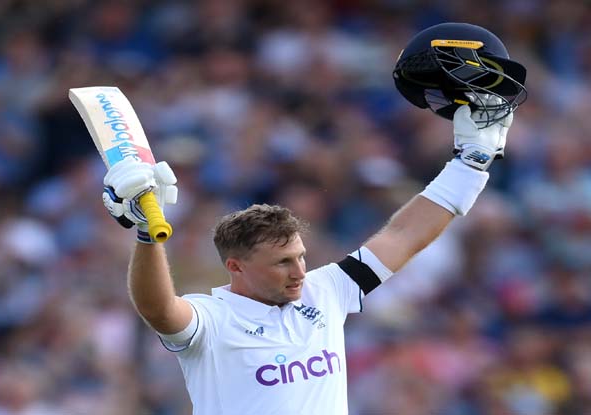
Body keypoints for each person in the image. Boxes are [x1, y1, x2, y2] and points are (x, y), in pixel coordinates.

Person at [101, 23, 523, 415]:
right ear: (236, 267)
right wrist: (146, 233)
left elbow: (404, 235)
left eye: (299, 257)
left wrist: (471, 164)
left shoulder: (324, 292)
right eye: (282, 263)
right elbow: (157, 309)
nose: (299, 271)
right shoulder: (212, 319)